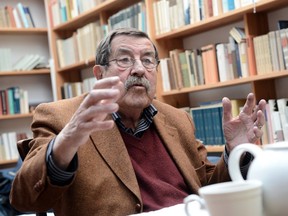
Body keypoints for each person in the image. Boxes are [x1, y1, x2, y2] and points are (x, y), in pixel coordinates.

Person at [10, 28, 266, 216]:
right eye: (124, 60)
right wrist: (67, 140)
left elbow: (208, 187)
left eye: (147, 60)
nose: (139, 69)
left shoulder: (177, 119)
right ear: (99, 74)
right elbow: (23, 199)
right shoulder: (62, 117)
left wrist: (235, 151)